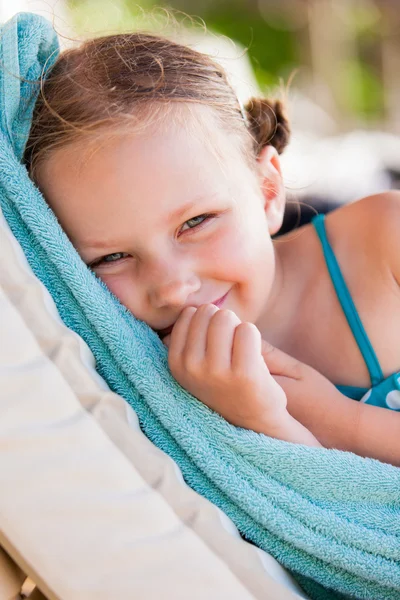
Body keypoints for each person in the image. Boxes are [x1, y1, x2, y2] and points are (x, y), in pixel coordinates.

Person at [23, 31, 400, 465]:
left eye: (195, 223)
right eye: (110, 258)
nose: (172, 288)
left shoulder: (383, 240)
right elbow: (319, 527)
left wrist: (338, 421)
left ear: (267, 190)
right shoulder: (143, 377)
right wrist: (265, 423)